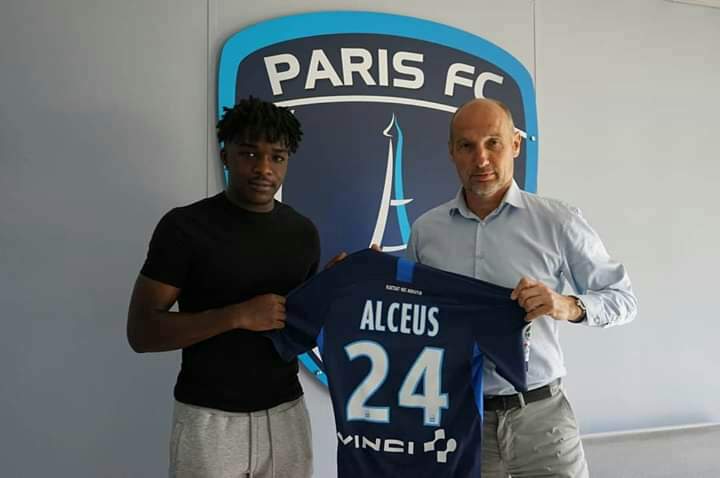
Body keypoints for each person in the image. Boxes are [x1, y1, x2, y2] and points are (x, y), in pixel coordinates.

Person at [407, 98, 638, 477]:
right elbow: (411, 319)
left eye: (493, 143)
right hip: (458, 420)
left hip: (542, 421)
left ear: (515, 144)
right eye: (467, 146)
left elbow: (623, 300)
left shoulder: (558, 222)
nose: (481, 159)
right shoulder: (425, 231)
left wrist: (567, 305)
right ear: (451, 152)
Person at [127, 97, 320, 478]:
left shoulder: (303, 233)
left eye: (277, 157)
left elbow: (300, 331)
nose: (263, 168)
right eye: (249, 153)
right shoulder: (185, 228)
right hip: (209, 417)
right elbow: (142, 332)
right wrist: (237, 316)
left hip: (286, 414)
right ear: (224, 156)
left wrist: (335, 287)